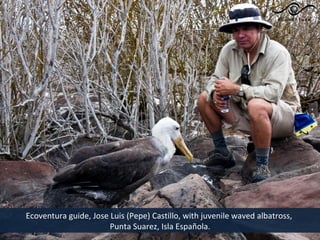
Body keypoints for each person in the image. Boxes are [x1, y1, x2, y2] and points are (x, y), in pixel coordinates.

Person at [197, 3, 301, 182]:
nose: (240, 35)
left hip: (282, 117)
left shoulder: (278, 53)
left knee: (257, 104)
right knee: (204, 99)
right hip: (248, 114)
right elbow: (215, 78)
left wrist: (236, 89)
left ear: (260, 28)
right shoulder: (229, 49)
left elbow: (274, 93)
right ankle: (222, 152)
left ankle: (262, 165)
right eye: (236, 30)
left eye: (246, 29)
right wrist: (215, 92)